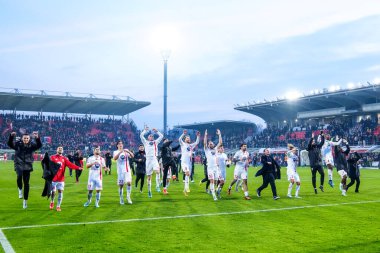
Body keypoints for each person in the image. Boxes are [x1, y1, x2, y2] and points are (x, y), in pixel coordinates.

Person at [7, 131, 42, 209]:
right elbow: (10, 144)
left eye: (27, 138)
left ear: (29, 139)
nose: (26, 139)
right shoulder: (18, 144)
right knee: (19, 176)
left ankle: (25, 201)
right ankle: (20, 189)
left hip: (28, 164)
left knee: (26, 183)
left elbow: (39, 145)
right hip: (18, 163)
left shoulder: (32, 145)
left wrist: (37, 137)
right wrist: (11, 136)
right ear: (22, 139)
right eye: (24, 138)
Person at [49, 145, 83, 211]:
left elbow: (70, 164)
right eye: (59, 148)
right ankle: (52, 201)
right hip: (54, 178)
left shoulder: (64, 159)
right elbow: (48, 165)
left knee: (60, 192)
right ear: (57, 150)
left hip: (61, 179)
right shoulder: (52, 157)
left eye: (61, 148)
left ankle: (58, 206)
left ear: (63, 150)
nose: (60, 149)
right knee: (53, 192)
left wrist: (78, 167)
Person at [140, 126, 163, 198]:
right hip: (148, 160)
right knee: (149, 177)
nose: (152, 136)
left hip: (154, 158)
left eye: (152, 136)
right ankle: (149, 191)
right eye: (150, 136)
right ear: (148, 137)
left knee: (157, 171)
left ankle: (157, 186)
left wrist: (157, 131)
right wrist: (145, 130)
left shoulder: (155, 142)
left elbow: (161, 136)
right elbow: (141, 136)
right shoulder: (145, 142)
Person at [179, 129, 200, 196]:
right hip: (184, 162)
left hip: (189, 163)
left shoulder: (191, 146)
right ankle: (187, 187)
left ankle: (185, 190)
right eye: (187, 138)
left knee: (188, 175)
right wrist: (183, 134)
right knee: (187, 173)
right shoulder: (183, 144)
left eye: (189, 138)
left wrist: (198, 136)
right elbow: (179, 139)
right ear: (185, 139)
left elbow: (197, 142)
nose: (188, 139)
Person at [203, 129, 223, 201]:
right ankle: (214, 195)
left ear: (213, 144)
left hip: (216, 168)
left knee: (219, 181)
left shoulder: (215, 149)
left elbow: (220, 142)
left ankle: (217, 190)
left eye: (211, 144)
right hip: (210, 168)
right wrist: (205, 135)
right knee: (211, 181)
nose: (210, 144)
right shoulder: (206, 150)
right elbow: (204, 143)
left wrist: (219, 134)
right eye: (209, 144)